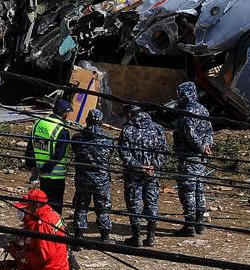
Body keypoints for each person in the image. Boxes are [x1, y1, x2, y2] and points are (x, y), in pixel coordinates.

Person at [0, 189, 71, 270]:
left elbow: (43, 255)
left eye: (27, 206)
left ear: (36, 205)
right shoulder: (53, 215)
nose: (24, 210)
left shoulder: (42, 224)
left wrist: (21, 255)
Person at [117, 108, 166, 247]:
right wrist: (153, 166)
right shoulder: (157, 128)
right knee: (151, 202)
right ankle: (151, 237)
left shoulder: (127, 130)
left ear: (130, 114)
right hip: (152, 174)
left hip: (133, 175)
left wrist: (139, 167)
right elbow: (163, 151)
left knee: (134, 203)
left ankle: (136, 237)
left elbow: (124, 153)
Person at [171, 82, 213, 236]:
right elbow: (209, 131)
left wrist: (201, 147)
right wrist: (207, 146)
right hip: (201, 158)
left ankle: (189, 227)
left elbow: (190, 135)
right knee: (199, 190)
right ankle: (199, 224)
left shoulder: (186, 112)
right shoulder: (203, 109)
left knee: (188, 191)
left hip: (188, 157)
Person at [69, 109, 115, 242]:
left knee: (81, 206)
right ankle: (105, 237)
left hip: (83, 178)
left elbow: (75, 150)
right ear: (101, 122)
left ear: (87, 120)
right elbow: (110, 154)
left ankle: (78, 238)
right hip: (101, 180)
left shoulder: (77, 137)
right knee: (103, 208)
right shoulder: (108, 139)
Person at [25, 99, 72, 215]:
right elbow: (59, 155)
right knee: (55, 207)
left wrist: (33, 167)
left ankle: (41, 227)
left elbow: (30, 148)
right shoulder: (62, 130)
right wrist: (46, 168)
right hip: (56, 176)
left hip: (41, 173)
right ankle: (51, 231)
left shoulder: (38, 123)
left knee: (42, 204)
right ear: (64, 113)